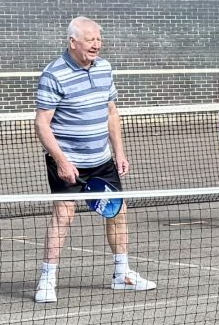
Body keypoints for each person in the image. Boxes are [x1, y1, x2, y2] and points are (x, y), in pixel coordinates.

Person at [33, 16, 157, 303]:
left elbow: (111, 113)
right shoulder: (53, 74)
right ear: (73, 42)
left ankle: (122, 274)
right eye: (90, 40)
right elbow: (42, 123)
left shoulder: (104, 68)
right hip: (68, 160)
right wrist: (62, 161)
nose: (97, 44)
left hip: (102, 160)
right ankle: (47, 280)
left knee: (118, 212)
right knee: (64, 215)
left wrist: (119, 152)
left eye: (99, 39)